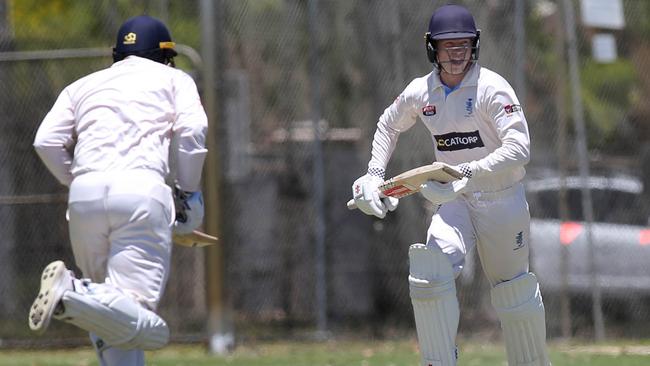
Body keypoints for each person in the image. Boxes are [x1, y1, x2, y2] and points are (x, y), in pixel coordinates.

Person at [351, 4, 550, 366]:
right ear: (432, 49)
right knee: (430, 271)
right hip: (453, 200)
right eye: (447, 46)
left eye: (463, 45)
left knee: (512, 292)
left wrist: (468, 175)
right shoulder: (420, 92)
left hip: (500, 198)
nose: (456, 54)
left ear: (474, 46)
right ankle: (438, 361)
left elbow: (519, 149)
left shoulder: (492, 88)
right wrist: (374, 175)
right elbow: (388, 124)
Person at [28, 15, 208, 366]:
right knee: (147, 325)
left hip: (83, 196)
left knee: (109, 313)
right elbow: (192, 130)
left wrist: (77, 180)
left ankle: (78, 296)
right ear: (164, 54)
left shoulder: (82, 85)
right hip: (141, 194)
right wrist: (188, 194)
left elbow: (45, 141)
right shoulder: (174, 78)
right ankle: (71, 291)